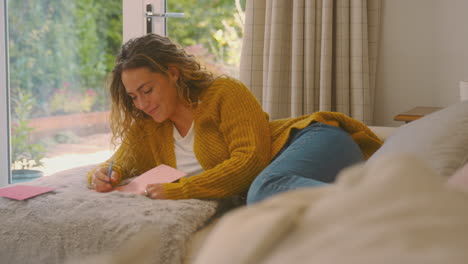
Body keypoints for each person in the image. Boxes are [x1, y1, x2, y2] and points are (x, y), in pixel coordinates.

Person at [88, 33, 382, 204]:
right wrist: (102, 174)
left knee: (265, 189)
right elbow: (120, 162)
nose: (142, 103)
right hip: (291, 168)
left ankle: (394, 203)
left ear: (173, 73)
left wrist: (182, 190)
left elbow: (249, 161)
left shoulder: (224, 92)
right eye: (133, 97)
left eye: (147, 90)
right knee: (263, 196)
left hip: (315, 140)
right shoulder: (148, 125)